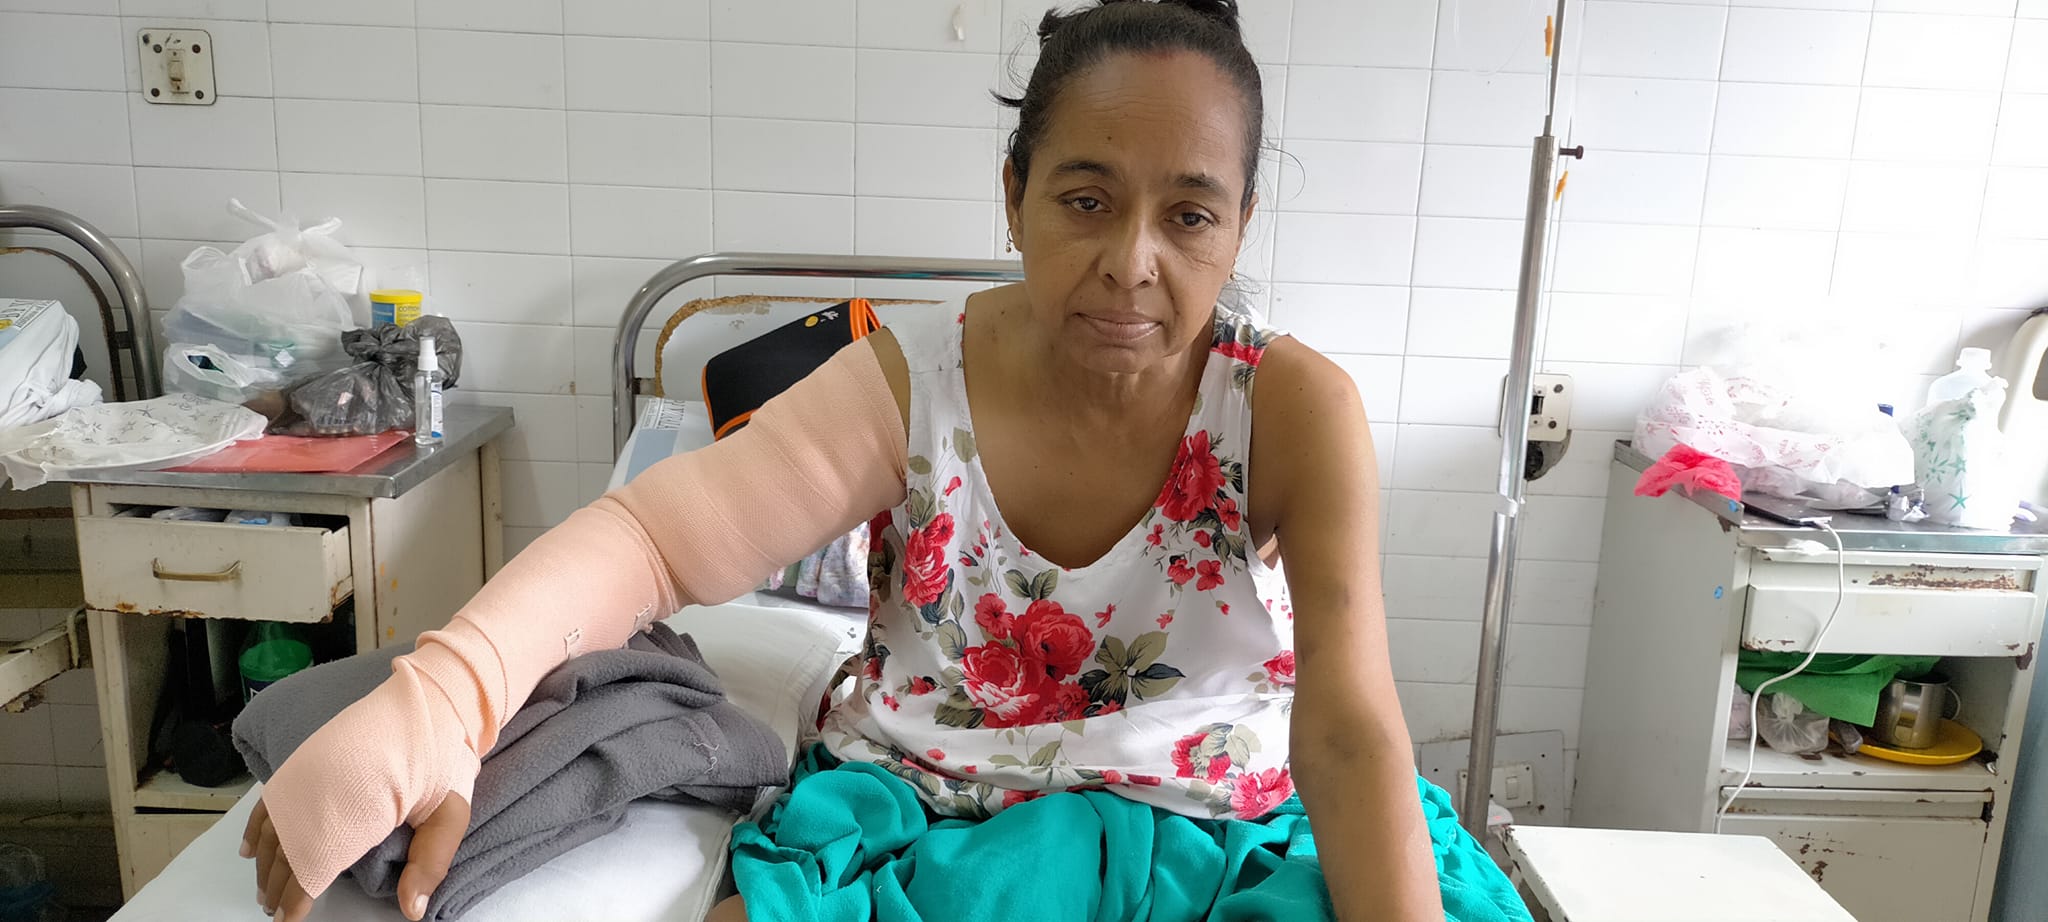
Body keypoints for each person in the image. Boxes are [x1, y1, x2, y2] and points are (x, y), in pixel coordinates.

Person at [242, 2, 1530, 920]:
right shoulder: (913, 381)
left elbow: (1350, 731)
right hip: (925, 816)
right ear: (1014, 194)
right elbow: (650, 539)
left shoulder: (1292, 409)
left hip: (1221, 825)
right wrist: (440, 708)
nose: (1132, 264)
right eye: (1085, 199)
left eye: (1189, 214)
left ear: (1239, 223)